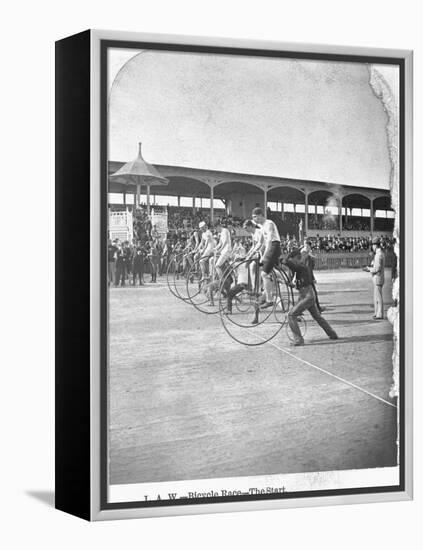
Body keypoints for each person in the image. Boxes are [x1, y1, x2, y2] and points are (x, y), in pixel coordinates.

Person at [282, 248, 338, 346]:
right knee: (317, 317)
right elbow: (302, 284)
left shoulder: (300, 265)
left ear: (296, 258)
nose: (291, 261)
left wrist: (284, 260)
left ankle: (298, 340)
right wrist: (292, 285)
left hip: (307, 296)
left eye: (292, 259)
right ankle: (332, 334)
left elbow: (291, 264)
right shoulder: (302, 266)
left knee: (291, 315)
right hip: (308, 295)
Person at [249, 207, 281, 309]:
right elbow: (260, 243)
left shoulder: (269, 224)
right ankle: (277, 280)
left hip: (274, 247)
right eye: (253, 217)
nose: (254, 219)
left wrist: (264, 256)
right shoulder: (261, 227)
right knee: (264, 270)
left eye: (255, 217)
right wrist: (251, 253)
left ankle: (269, 300)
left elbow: (269, 241)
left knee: (264, 273)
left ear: (261, 215)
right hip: (270, 247)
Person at [363, 236, 385, 319]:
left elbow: (377, 268)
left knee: (378, 297)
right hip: (378, 278)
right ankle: (377, 312)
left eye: (373, 245)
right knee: (376, 297)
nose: (372, 247)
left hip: (378, 278)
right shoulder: (379, 254)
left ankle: (380, 314)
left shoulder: (378, 255)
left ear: (375, 245)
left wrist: (369, 269)